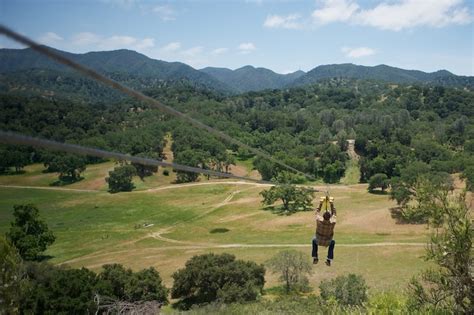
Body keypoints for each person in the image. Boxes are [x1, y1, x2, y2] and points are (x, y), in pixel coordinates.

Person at [312, 196, 336, 266]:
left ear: (323, 216)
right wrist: (331, 203)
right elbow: (334, 213)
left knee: (314, 241)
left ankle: (315, 257)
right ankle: (329, 259)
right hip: (328, 242)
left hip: (318, 241)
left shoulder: (319, 220)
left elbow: (317, 212)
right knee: (333, 242)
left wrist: (321, 202)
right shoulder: (333, 222)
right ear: (330, 217)